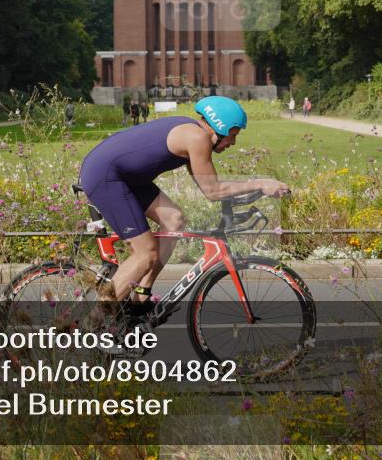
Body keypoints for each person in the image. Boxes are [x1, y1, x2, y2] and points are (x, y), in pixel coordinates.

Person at [78, 96, 289, 313]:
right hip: (106, 177)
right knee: (146, 254)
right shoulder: (197, 138)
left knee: (174, 220)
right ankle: (93, 324)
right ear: (221, 128)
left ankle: (141, 296)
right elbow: (213, 191)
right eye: (233, 135)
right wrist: (261, 184)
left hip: (125, 177)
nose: (233, 143)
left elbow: (208, 188)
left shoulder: (193, 131)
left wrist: (250, 189)